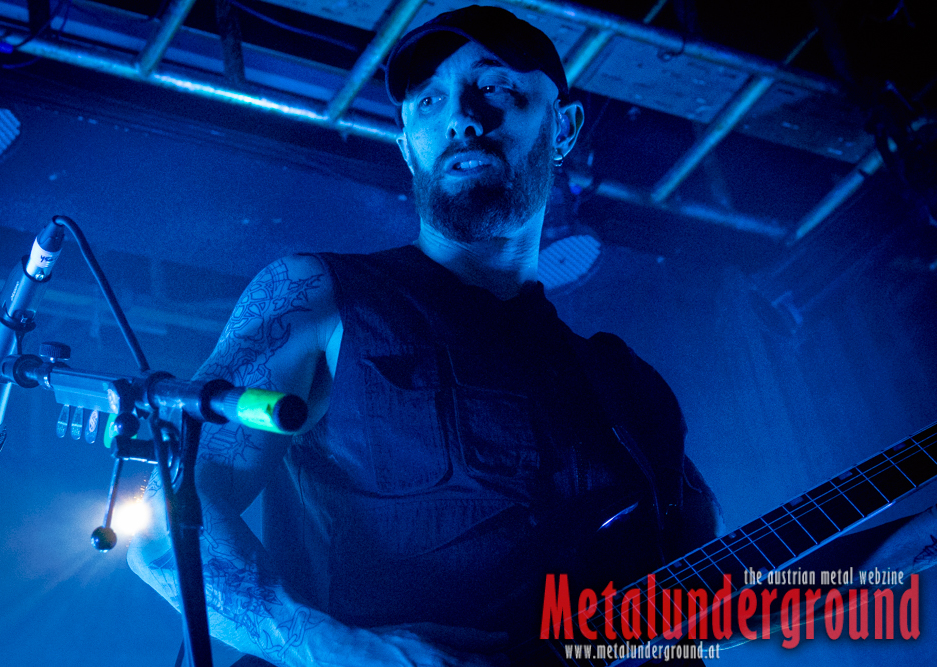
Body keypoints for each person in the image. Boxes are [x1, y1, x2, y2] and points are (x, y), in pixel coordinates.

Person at [127, 6, 721, 666]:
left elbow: (692, 608)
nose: (461, 116)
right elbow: (163, 527)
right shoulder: (320, 295)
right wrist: (342, 650)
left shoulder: (628, 388)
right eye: (430, 100)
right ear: (407, 146)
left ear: (565, 127)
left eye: (495, 86)